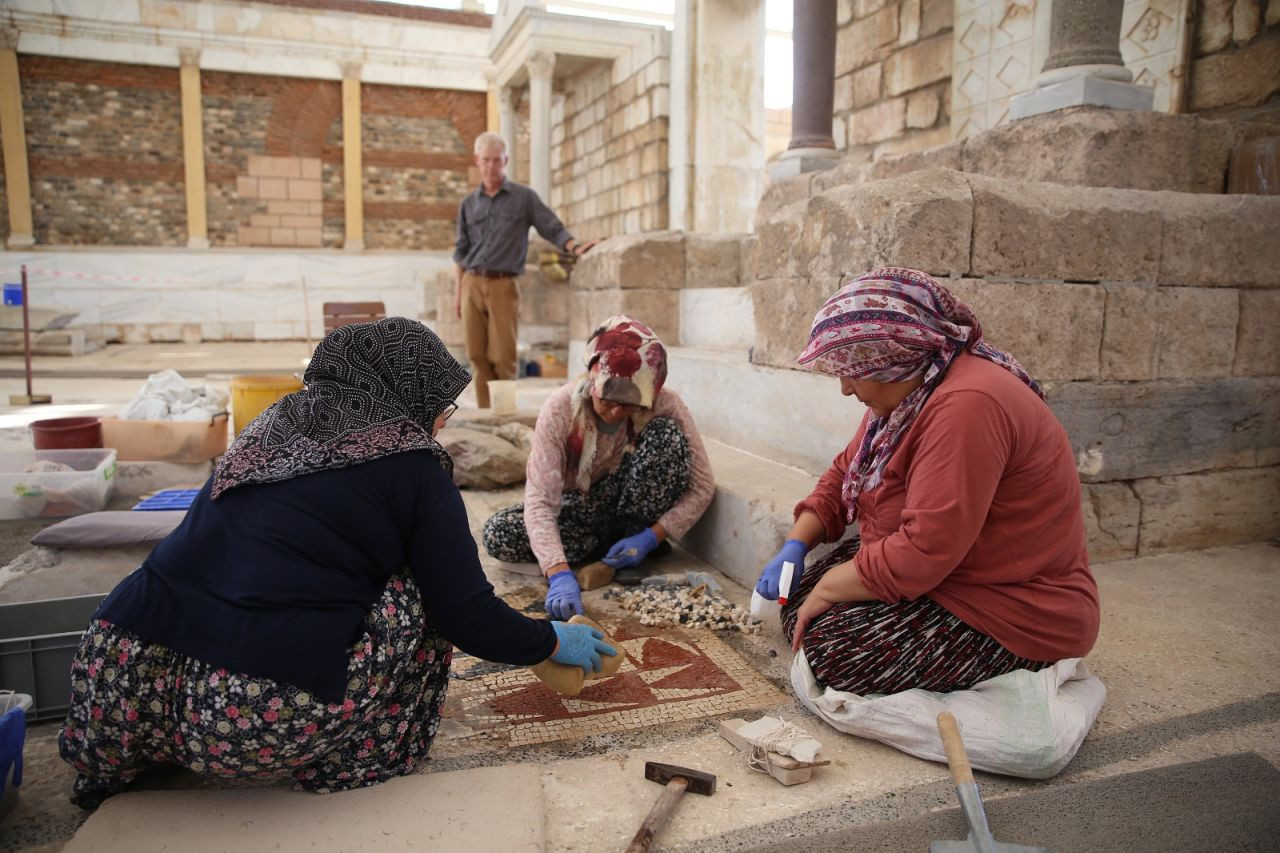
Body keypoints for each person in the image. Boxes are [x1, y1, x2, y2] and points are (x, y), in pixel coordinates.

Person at [58, 318, 615, 807]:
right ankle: (357, 756)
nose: (442, 420)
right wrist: (546, 642)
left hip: (121, 685)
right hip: (248, 720)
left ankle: (115, 768)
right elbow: (464, 614)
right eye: (439, 403)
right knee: (415, 594)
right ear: (406, 391)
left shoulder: (271, 427)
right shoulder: (415, 470)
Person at [756, 267, 1099, 696]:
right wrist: (797, 544)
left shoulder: (967, 406)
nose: (845, 388)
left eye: (853, 371)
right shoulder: (909, 393)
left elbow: (925, 549)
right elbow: (845, 472)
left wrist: (830, 586)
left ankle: (1024, 664)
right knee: (798, 600)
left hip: (1012, 605)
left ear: (893, 357)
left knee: (832, 650)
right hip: (951, 570)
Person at [482, 315, 716, 618]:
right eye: (609, 398)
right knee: (498, 533)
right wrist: (558, 573)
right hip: (581, 506)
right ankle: (605, 551)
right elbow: (540, 501)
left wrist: (651, 536)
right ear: (593, 380)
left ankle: (631, 545)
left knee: (667, 436)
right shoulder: (560, 408)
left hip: (632, 502)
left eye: (631, 404)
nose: (618, 411)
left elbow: (702, 486)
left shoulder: (665, 404)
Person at [453, 131, 596, 408]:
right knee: (476, 354)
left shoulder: (523, 198)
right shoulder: (468, 204)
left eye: (497, 160)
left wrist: (575, 247)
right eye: (486, 160)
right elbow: (460, 251)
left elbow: (551, 226)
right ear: (477, 161)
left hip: (503, 284)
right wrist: (459, 294)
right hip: (471, 281)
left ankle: (503, 412)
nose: (492, 166)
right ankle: (486, 412)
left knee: (503, 354)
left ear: (505, 160)